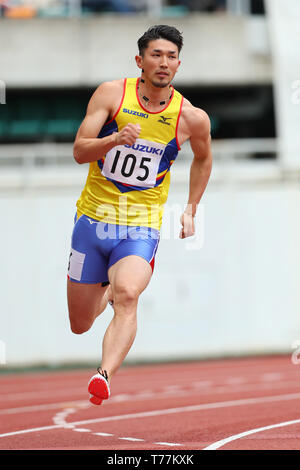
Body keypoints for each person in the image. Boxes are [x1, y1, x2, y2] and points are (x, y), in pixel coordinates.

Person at [67, 24, 212, 405]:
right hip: (91, 221)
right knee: (80, 324)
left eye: (171, 57)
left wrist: (190, 210)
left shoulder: (191, 117)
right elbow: (80, 151)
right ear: (140, 61)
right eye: (156, 55)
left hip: (141, 223)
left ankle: (104, 375)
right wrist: (114, 139)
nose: (164, 63)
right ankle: (108, 289)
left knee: (130, 294)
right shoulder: (112, 94)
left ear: (179, 64)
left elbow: (203, 159)